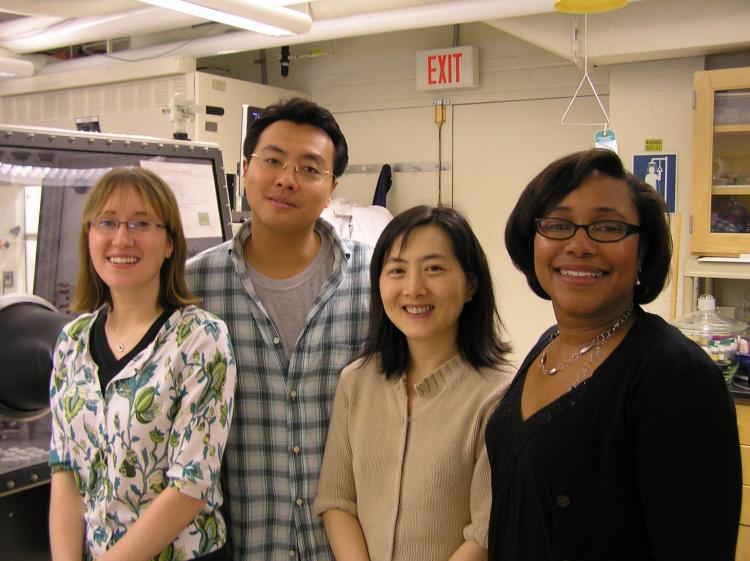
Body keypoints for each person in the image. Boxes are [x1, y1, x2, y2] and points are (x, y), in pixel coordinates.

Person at [489, 148, 741, 560]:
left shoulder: (675, 377)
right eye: (558, 225)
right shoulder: (549, 345)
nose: (579, 245)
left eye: (607, 227)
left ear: (642, 251)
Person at [185, 98, 371, 561]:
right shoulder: (192, 287)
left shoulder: (376, 278)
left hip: (352, 546)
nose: (287, 179)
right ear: (245, 169)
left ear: (331, 188)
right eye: (272, 161)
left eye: (309, 169)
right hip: (242, 542)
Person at [48, 167, 236, 561]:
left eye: (141, 223)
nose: (122, 238)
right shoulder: (72, 342)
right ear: (89, 237)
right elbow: (64, 472)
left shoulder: (200, 338)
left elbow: (190, 486)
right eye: (108, 222)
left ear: (170, 243)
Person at [314, 205, 514, 561]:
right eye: (397, 271)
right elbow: (337, 500)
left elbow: (485, 531)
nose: (413, 288)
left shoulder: (498, 395)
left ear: (470, 284)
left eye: (434, 269)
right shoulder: (356, 382)